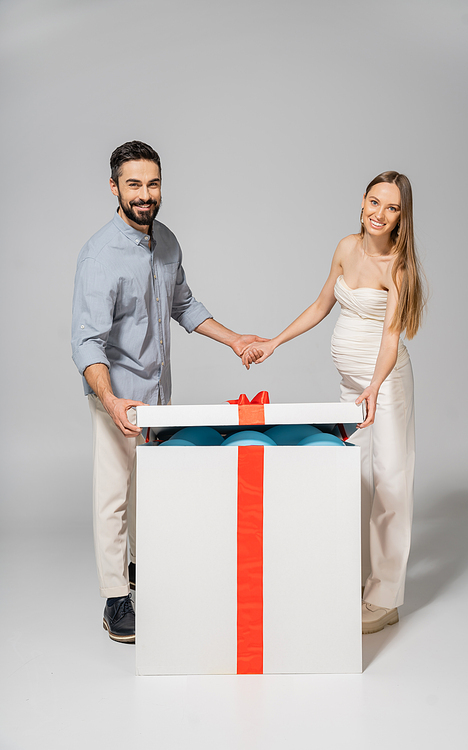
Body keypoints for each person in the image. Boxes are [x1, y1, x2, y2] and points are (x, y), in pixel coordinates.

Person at [71, 140, 265, 643]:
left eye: (152, 183)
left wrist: (235, 339)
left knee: (150, 490)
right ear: (114, 187)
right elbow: (86, 343)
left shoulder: (169, 242)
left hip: (159, 396)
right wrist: (112, 401)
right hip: (118, 394)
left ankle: (140, 571)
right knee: (113, 496)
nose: (145, 194)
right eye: (133, 184)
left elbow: (185, 305)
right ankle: (116, 598)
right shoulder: (99, 255)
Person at [242, 171, 425, 634]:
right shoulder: (346, 247)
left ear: (403, 217)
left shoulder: (398, 267)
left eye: (392, 208)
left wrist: (375, 387)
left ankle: (385, 598)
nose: (379, 214)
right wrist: (275, 341)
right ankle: (359, 582)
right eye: (374, 202)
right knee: (356, 482)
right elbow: (323, 303)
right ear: (361, 202)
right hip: (351, 385)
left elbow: (389, 339)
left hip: (383, 386)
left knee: (390, 485)